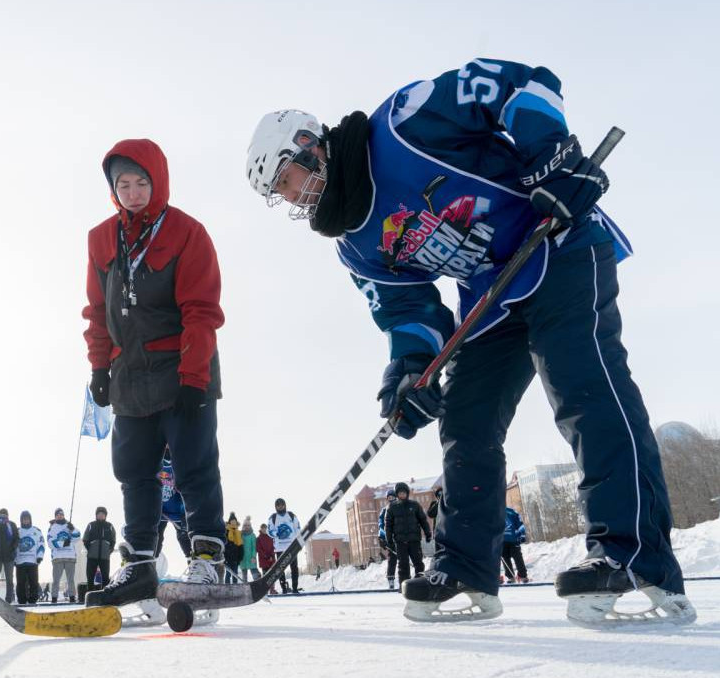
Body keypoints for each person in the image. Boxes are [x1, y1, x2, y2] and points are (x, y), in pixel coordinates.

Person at [246, 59, 693, 626]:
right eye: (280, 195)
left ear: (310, 145)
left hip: (554, 243)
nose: (292, 198)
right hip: (492, 296)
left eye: (287, 180)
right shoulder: (353, 243)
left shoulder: (405, 122)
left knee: (581, 384)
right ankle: (465, 567)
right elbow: (407, 307)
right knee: (466, 422)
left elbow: (519, 86)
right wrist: (410, 372)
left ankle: (634, 554)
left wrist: (551, 159)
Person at [81, 139, 228, 609]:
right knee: (134, 473)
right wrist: (100, 367)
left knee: (194, 468)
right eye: (123, 184)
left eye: (141, 182)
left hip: (182, 369)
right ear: (113, 189)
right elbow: (97, 311)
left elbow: (202, 310)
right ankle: (141, 563)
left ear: (158, 181)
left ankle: (208, 557)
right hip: (130, 374)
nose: (133, 192)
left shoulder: (187, 232)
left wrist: (193, 375)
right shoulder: (102, 238)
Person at [385, 482, 432, 586]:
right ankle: (404, 586)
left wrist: (428, 533)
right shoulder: (392, 507)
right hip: (400, 542)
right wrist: (389, 541)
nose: (402, 495)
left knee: (418, 563)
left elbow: (423, 520)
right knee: (403, 565)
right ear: (397, 494)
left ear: (407, 493)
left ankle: (420, 584)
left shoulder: (414, 505)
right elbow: (388, 525)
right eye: (400, 493)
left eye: (404, 493)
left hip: (414, 540)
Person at [156, 450, 192, 558]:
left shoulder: (180, 462)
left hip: (178, 512)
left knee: (186, 541)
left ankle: (194, 563)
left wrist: (184, 513)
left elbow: (186, 487)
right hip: (159, 512)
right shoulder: (155, 462)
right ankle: (149, 565)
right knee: (154, 541)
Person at [47, 508, 80, 603]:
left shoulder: (69, 525)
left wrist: (72, 529)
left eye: (61, 514)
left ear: (64, 515)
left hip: (70, 557)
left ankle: (72, 597)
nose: (59, 516)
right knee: (56, 580)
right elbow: (50, 543)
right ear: (55, 516)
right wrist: (65, 543)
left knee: (71, 580)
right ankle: (54, 598)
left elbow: (77, 537)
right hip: (57, 558)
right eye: (57, 515)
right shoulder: (52, 527)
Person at [268, 499, 301, 593]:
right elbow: (269, 531)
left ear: (285, 505)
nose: (280, 507)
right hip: (279, 548)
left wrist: (297, 543)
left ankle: (295, 588)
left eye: (282, 505)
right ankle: (284, 589)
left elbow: (298, 529)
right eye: (278, 506)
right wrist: (276, 533)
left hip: (292, 547)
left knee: (294, 568)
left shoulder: (291, 515)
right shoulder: (273, 517)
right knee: (280, 569)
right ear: (276, 507)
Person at [83, 507, 117, 592]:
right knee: (90, 577)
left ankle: (104, 596)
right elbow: (85, 539)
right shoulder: (91, 525)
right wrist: (90, 549)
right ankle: (90, 594)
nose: (101, 515)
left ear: (105, 516)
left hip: (105, 557)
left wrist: (109, 550)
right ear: (96, 515)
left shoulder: (109, 526)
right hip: (92, 556)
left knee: (105, 577)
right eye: (99, 514)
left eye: (103, 514)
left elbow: (113, 540)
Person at [15, 511, 45, 605]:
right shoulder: (17, 531)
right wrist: (14, 559)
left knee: (34, 583)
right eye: (24, 519)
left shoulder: (36, 531)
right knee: (20, 583)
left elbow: (41, 544)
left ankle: (33, 600)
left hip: (33, 561)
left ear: (30, 519)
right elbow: (13, 546)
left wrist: (40, 556)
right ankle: (22, 601)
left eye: (27, 518)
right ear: (21, 520)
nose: (26, 520)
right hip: (20, 562)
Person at [502, 507, 529, 583]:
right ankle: (511, 577)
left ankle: (523, 576)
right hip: (501, 540)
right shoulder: (493, 512)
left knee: (517, 557)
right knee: (505, 558)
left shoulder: (511, 511)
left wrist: (522, 535)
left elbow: (520, 523)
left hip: (514, 539)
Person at [378, 490, 397, 589]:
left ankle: (406, 578)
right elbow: (381, 525)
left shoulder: (400, 508)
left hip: (401, 537)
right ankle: (391, 579)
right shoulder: (384, 510)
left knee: (404, 559)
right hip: (390, 539)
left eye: (393, 497)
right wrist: (381, 537)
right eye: (389, 498)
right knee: (392, 559)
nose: (391, 499)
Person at [256, 523, 277, 595]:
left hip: (271, 559)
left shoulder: (270, 537)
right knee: (265, 576)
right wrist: (266, 557)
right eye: (263, 528)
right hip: (264, 560)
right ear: (261, 529)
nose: (264, 530)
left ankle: (272, 590)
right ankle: (265, 590)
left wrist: (271, 556)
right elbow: (259, 549)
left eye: (265, 528)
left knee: (272, 575)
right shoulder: (258, 538)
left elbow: (273, 547)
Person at [224, 513, 244, 583]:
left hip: (235, 557)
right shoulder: (226, 531)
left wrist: (240, 557)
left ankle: (235, 587)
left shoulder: (238, 532)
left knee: (235, 574)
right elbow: (224, 544)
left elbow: (240, 546)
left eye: (234, 520)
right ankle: (227, 587)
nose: (233, 522)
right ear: (229, 521)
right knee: (228, 574)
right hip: (227, 557)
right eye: (232, 520)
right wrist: (224, 557)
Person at [240, 516, 260, 583]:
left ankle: (257, 584)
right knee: (244, 574)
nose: (246, 526)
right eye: (245, 525)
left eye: (248, 525)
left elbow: (254, 547)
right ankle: (244, 586)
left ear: (250, 526)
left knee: (254, 572)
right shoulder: (240, 535)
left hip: (251, 557)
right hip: (243, 557)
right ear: (243, 526)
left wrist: (254, 556)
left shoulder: (252, 535)